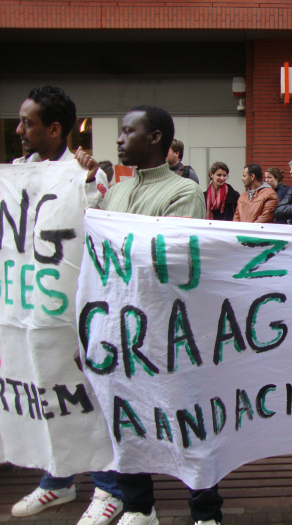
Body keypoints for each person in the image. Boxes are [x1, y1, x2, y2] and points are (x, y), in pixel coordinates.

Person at [101, 105, 221, 525]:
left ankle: (205, 511)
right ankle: (138, 506)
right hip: (118, 328)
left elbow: (173, 264)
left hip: (168, 331)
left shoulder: (183, 193)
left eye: (126, 131)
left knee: (187, 420)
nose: (118, 139)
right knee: (126, 419)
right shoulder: (114, 193)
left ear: (154, 138)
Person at [7, 86, 116, 525]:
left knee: (86, 397)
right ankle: (57, 480)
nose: (19, 130)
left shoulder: (86, 178)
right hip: (30, 310)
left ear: (55, 129)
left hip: (73, 313)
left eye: (27, 123)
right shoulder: (14, 174)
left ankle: (109, 489)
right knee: (43, 391)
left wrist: (87, 180)